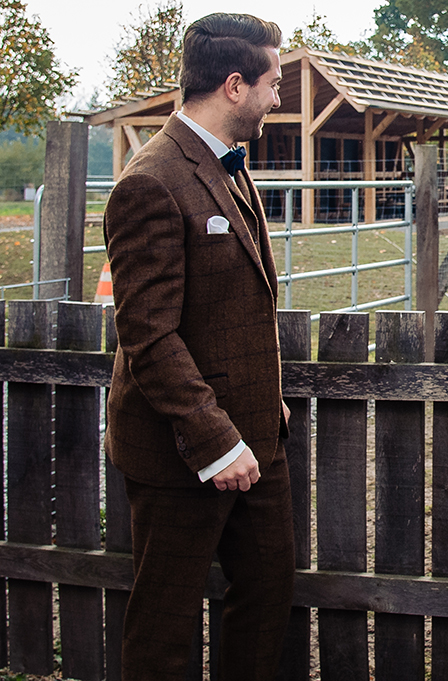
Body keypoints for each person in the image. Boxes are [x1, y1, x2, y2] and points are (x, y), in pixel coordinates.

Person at [103, 13, 294, 680]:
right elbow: (148, 334)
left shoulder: (230, 166)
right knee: (163, 621)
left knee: (268, 594)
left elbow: (233, 308)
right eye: (273, 84)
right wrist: (216, 439)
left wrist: (263, 409)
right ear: (235, 85)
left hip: (258, 440)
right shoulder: (150, 180)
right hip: (181, 448)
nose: (279, 99)